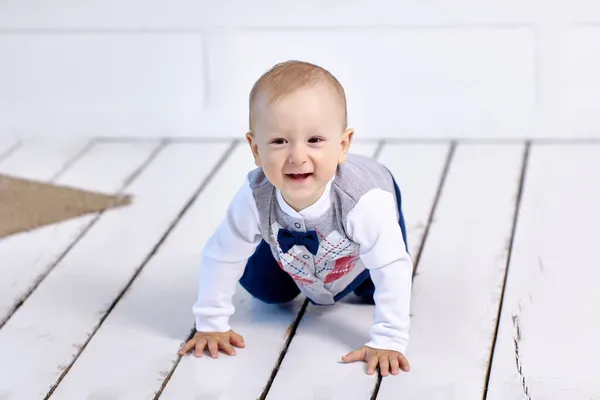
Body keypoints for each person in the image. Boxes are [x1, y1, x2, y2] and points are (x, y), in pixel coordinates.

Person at [178, 60, 413, 377]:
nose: (297, 156)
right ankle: (280, 260)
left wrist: (389, 340)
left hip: (360, 233)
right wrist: (210, 323)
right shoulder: (254, 196)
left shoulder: (365, 203)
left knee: (379, 282)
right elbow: (222, 253)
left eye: (315, 140)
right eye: (279, 141)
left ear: (342, 145)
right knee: (268, 292)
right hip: (290, 241)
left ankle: (362, 278)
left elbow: (391, 266)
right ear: (256, 149)